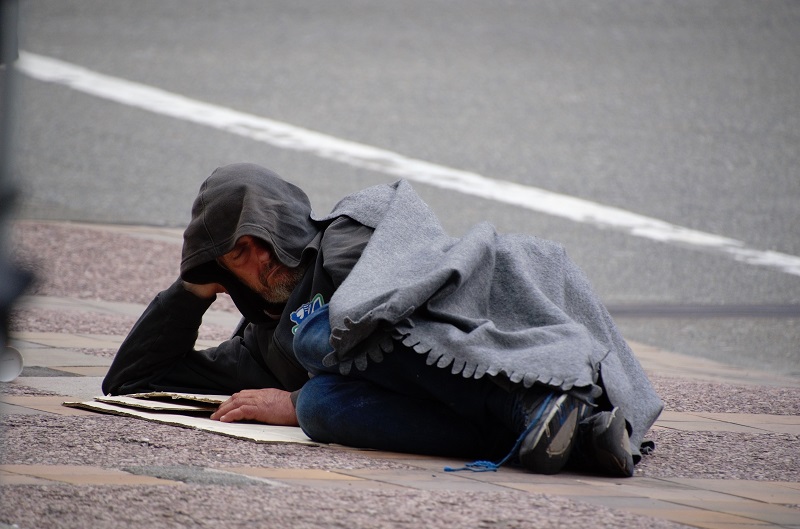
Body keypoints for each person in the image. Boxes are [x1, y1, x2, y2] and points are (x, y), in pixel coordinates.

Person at [103, 163, 663, 477]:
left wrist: (297, 382)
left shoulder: (346, 237)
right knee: (320, 405)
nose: (261, 258)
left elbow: (430, 280)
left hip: (488, 347)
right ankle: (565, 432)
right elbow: (133, 380)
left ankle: (533, 406)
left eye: (262, 239)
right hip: (437, 405)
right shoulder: (258, 347)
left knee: (315, 334)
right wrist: (191, 287)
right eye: (237, 255)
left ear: (287, 224)